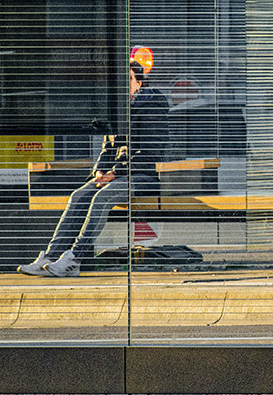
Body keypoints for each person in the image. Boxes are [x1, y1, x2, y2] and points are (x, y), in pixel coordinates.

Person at [20, 46, 171, 277]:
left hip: (143, 175)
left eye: (128, 79)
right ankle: (51, 256)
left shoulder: (153, 104)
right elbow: (108, 147)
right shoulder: (117, 107)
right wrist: (100, 170)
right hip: (118, 174)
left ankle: (74, 259)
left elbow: (150, 151)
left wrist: (116, 172)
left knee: (102, 197)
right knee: (78, 196)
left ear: (139, 82)